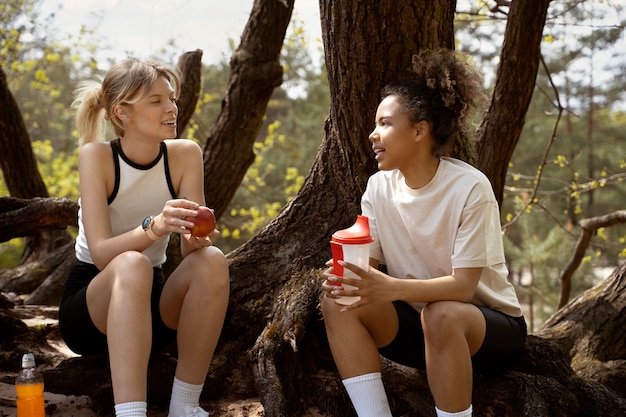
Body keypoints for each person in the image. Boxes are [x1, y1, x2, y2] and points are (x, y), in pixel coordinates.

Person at [321, 48, 527, 417]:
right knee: (339, 300)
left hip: (484, 328)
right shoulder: (379, 187)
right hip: (418, 327)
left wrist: (391, 288)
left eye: (384, 123)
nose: (372, 135)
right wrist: (346, 276)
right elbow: (367, 260)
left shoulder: (469, 187)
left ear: (420, 130)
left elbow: (463, 288)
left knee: (442, 314)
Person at [58, 58, 230, 417]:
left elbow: (189, 246)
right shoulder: (97, 157)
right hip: (92, 304)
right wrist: (156, 226)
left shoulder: (185, 154)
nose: (171, 108)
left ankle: (185, 406)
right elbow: (104, 255)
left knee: (212, 261)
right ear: (123, 112)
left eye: (172, 99)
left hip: (153, 302)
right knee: (133, 264)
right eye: (156, 101)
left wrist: (197, 236)